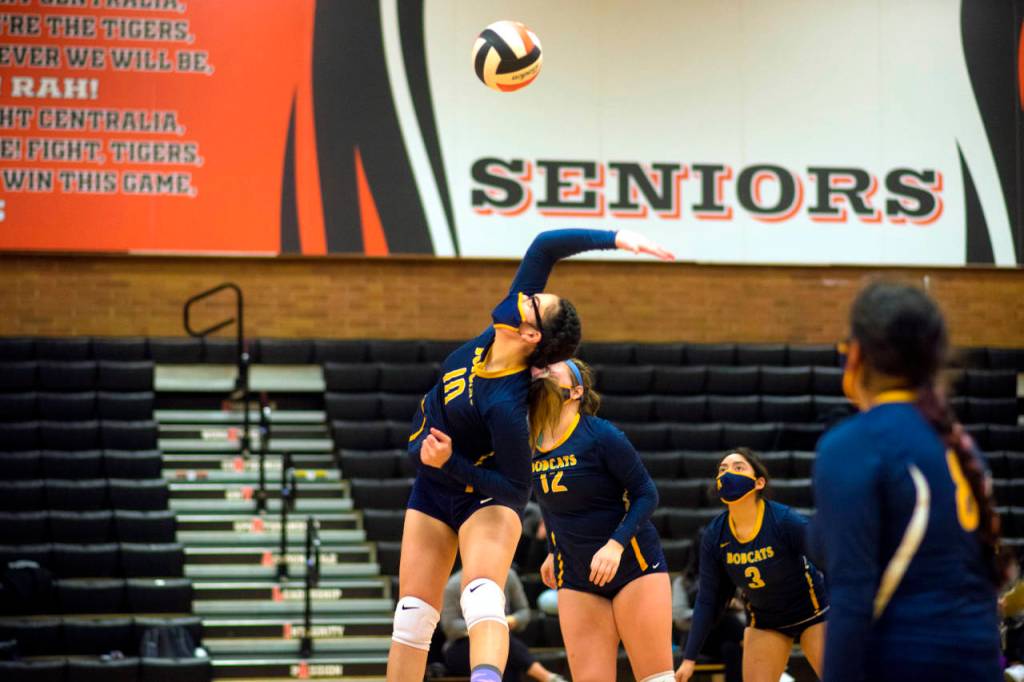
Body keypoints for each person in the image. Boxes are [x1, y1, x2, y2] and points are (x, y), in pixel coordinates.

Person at [388, 229, 673, 682]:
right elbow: (545, 245)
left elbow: (517, 488)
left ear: (530, 332)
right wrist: (620, 239)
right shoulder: (495, 336)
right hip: (433, 487)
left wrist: (452, 464)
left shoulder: (505, 405)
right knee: (410, 616)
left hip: (480, 493)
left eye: (536, 302)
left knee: (480, 596)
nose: (527, 296)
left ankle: (486, 677)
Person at [812, 281, 1006, 681]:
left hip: (901, 663)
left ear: (858, 354)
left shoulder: (854, 444)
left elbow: (852, 596)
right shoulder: (960, 443)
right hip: (980, 661)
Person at [530, 358, 674, 682]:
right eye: (542, 370)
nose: (544, 373)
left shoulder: (601, 435)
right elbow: (549, 503)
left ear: (576, 391)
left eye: (553, 371)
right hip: (577, 573)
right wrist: (553, 550)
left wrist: (615, 544)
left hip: (632, 563)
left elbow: (646, 493)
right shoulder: (531, 440)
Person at [676, 448, 827, 682]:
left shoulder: (785, 520)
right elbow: (708, 599)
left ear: (759, 482)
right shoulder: (714, 535)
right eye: (722, 469)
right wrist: (689, 658)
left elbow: (829, 561)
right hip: (766, 622)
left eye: (738, 468)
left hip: (814, 613)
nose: (727, 474)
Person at [440, 567, 567, 682]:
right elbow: (449, 626)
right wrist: (488, 625)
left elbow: (524, 612)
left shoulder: (509, 576)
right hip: (461, 646)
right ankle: (547, 677)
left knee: (505, 657)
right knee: (501, 644)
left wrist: (512, 620)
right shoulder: (453, 584)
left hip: (504, 642)